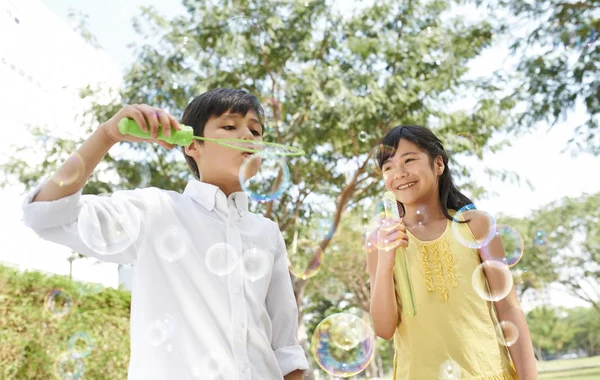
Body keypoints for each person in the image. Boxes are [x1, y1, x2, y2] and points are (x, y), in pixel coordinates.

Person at [22, 88, 309, 380]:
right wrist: (107, 135)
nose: (248, 136)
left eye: (256, 130)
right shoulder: (156, 210)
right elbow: (47, 215)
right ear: (191, 145)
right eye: (229, 126)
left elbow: (284, 346)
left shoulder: (267, 232)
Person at [366, 125, 538, 380]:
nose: (399, 173)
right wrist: (386, 261)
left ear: (438, 164)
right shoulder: (379, 241)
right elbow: (384, 328)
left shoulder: (476, 225)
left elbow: (509, 309)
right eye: (388, 167)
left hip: (486, 372)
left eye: (409, 160)